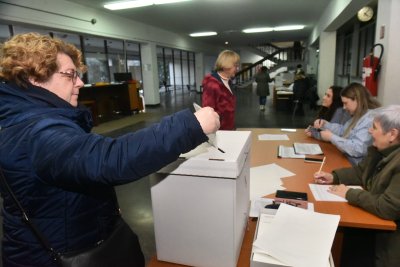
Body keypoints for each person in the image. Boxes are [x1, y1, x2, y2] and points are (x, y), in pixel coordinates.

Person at [0, 33, 220, 267]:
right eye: (70, 75)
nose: (79, 82)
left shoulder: (32, 120)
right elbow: (108, 158)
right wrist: (189, 126)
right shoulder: (38, 132)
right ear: (35, 77)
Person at [314, 105, 400, 267]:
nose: (369, 131)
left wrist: (349, 193)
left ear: (392, 134)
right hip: (373, 228)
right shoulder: (380, 150)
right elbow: (361, 172)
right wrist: (334, 177)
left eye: (374, 128)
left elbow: (387, 207)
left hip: (388, 244)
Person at [310, 82, 380, 165]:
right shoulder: (359, 115)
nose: (344, 107)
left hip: (355, 166)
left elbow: (358, 149)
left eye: (346, 103)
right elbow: (343, 130)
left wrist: (331, 137)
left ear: (357, 100)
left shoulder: (369, 119)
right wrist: (326, 124)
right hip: (348, 160)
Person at [202, 49, 240, 130]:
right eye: (235, 66)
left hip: (228, 127)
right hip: (220, 130)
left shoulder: (227, 81)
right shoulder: (212, 85)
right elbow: (208, 113)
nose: (237, 69)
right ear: (226, 65)